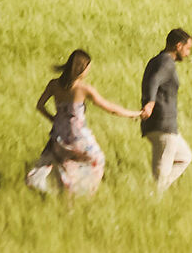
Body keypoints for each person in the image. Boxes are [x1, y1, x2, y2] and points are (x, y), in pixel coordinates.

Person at [26, 49, 141, 198]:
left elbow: (40, 105)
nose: (87, 71)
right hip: (77, 136)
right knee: (97, 160)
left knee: (62, 163)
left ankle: (51, 188)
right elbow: (110, 108)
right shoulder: (83, 89)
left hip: (58, 135)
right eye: (87, 68)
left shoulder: (54, 84)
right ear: (81, 68)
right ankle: (80, 193)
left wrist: (53, 119)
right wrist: (134, 114)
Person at [138, 28, 192, 194]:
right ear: (178, 46)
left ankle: (157, 192)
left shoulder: (156, 60)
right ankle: (154, 198)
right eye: (187, 48)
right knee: (161, 174)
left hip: (162, 125)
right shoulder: (166, 62)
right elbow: (154, 81)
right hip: (163, 124)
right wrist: (149, 103)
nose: (188, 53)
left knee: (185, 156)